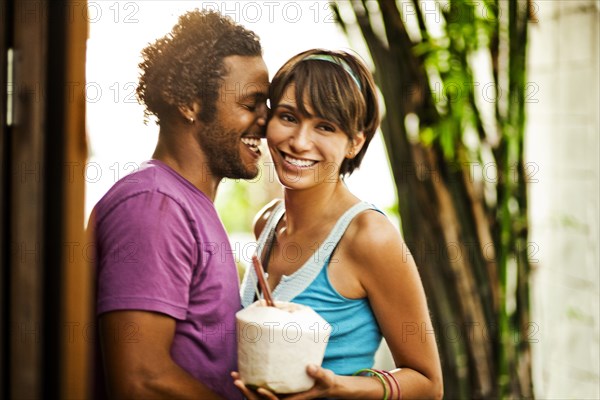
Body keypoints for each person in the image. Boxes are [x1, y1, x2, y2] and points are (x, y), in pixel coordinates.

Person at [232, 49, 443, 399]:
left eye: (325, 127)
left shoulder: (369, 237)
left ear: (355, 142)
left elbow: (428, 384)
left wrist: (335, 387)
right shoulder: (266, 223)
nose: (299, 141)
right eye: (288, 117)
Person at [91, 9, 269, 399]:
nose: (267, 122)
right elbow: (140, 380)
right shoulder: (155, 207)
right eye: (251, 103)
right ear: (189, 103)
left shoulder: (188, 205)